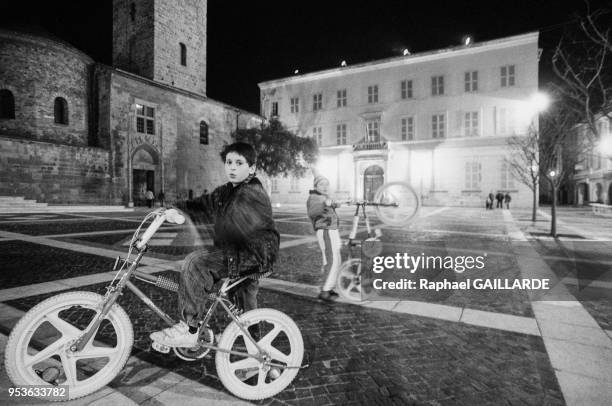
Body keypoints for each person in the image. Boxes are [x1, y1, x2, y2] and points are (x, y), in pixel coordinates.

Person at [150, 142, 280, 347]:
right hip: (237, 252)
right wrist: (172, 208)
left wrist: (202, 232)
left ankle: (190, 328)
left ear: (251, 168)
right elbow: (201, 203)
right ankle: (252, 351)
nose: (232, 167)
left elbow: (233, 221)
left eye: (239, 162)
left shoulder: (252, 192)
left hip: (252, 254)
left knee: (196, 263)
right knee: (244, 304)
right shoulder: (226, 191)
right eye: (229, 162)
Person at [307, 175, 342, 302]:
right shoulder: (314, 197)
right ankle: (325, 290)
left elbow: (331, 205)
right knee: (331, 260)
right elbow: (313, 212)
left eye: (327, 184)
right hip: (325, 230)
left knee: (336, 259)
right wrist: (324, 204)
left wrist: (334, 203)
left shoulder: (324, 196)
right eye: (322, 184)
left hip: (332, 230)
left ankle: (329, 287)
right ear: (315, 186)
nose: (325, 186)